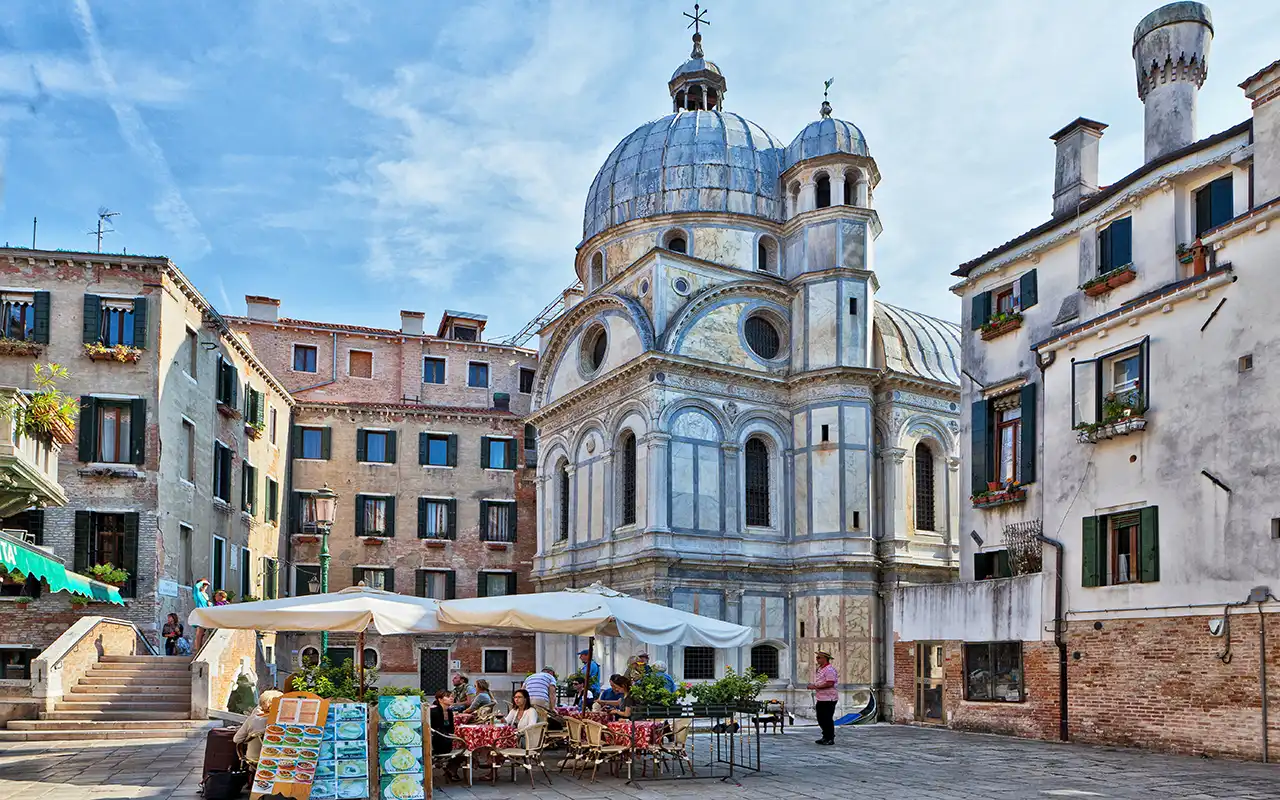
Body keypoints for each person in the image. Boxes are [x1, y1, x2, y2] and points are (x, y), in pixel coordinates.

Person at [233, 689, 283, 766]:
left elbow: (237, 739)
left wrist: (250, 737)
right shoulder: (282, 721)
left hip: (253, 761)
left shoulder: (252, 719)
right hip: (276, 761)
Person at [429, 690, 463, 782]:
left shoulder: (449, 711)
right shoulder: (434, 711)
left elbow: (451, 728)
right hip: (437, 741)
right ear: (440, 699)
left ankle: (451, 769)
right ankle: (449, 769)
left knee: (467, 746)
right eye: (448, 697)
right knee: (464, 746)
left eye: (452, 696)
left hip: (446, 738)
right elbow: (435, 729)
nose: (451, 698)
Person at [807, 650, 839, 746]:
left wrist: (815, 686)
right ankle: (825, 736)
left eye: (819, 657)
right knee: (821, 718)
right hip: (821, 698)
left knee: (827, 718)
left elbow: (830, 683)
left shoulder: (829, 670)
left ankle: (830, 738)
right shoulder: (821, 669)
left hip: (829, 698)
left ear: (825, 659)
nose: (817, 659)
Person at [192, 578, 211, 651]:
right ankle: (197, 649)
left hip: (206, 613)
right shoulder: (197, 593)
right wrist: (203, 581)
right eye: (204, 585)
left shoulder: (205, 595)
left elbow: (207, 604)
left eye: (206, 585)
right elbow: (196, 587)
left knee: (203, 633)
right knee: (200, 631)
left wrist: (210, 604)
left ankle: (201, 648)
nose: (205, 586)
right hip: (200, 613)